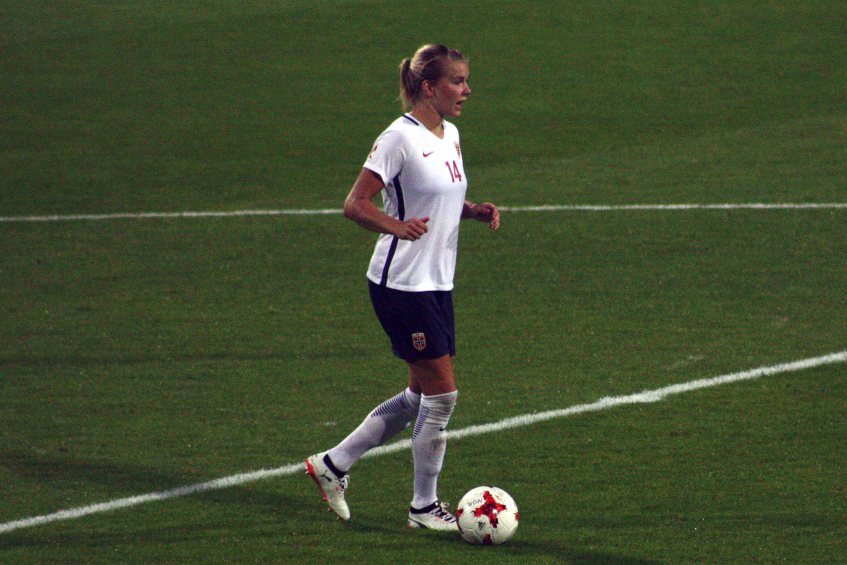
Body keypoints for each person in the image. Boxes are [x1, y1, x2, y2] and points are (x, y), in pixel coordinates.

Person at [306, 44, 500, 531]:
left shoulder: (450, 134)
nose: (467, 90)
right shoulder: (398, 137)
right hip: (401, 286)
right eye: (458, 81)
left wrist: (470, 210)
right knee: (443, 396)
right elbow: (355, 204)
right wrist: (396, 226)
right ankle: (423, 507)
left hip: (436, 282)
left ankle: (332, 464)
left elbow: (436, 197)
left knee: (419, 395)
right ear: (429, 87)